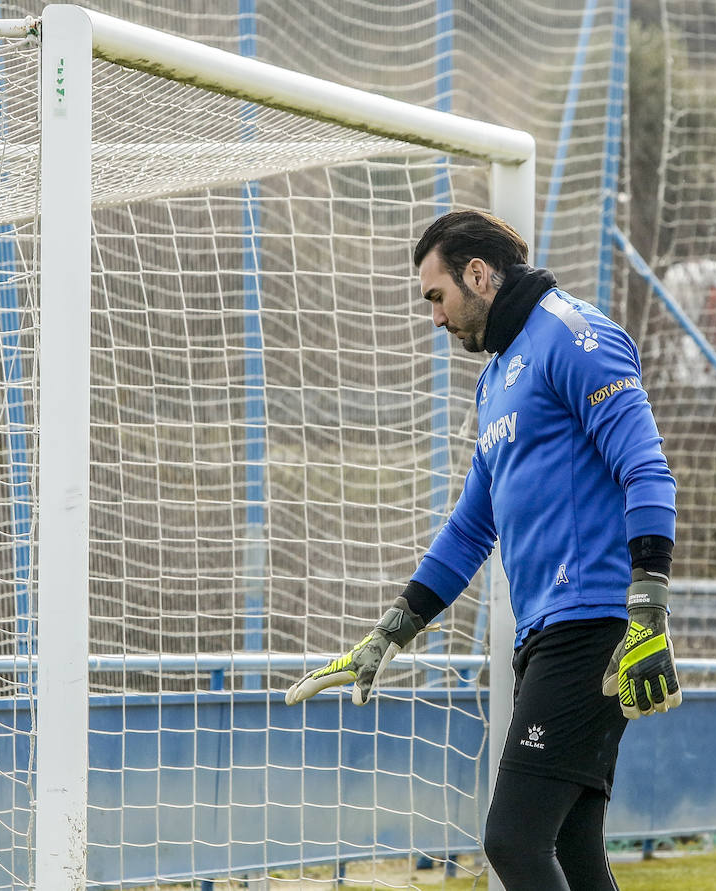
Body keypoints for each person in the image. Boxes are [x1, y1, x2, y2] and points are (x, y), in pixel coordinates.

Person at [284, 209, 682, 891]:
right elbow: (472, 527)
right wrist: (391, 630)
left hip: (593, 627)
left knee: (515, 838)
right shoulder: (497, 376)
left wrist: (648, 608)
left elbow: (646, 468)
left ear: (477, 273)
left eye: (435, 297)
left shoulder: (573, 333)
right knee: (571, 844)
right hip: (547, 632)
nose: (434, 318)